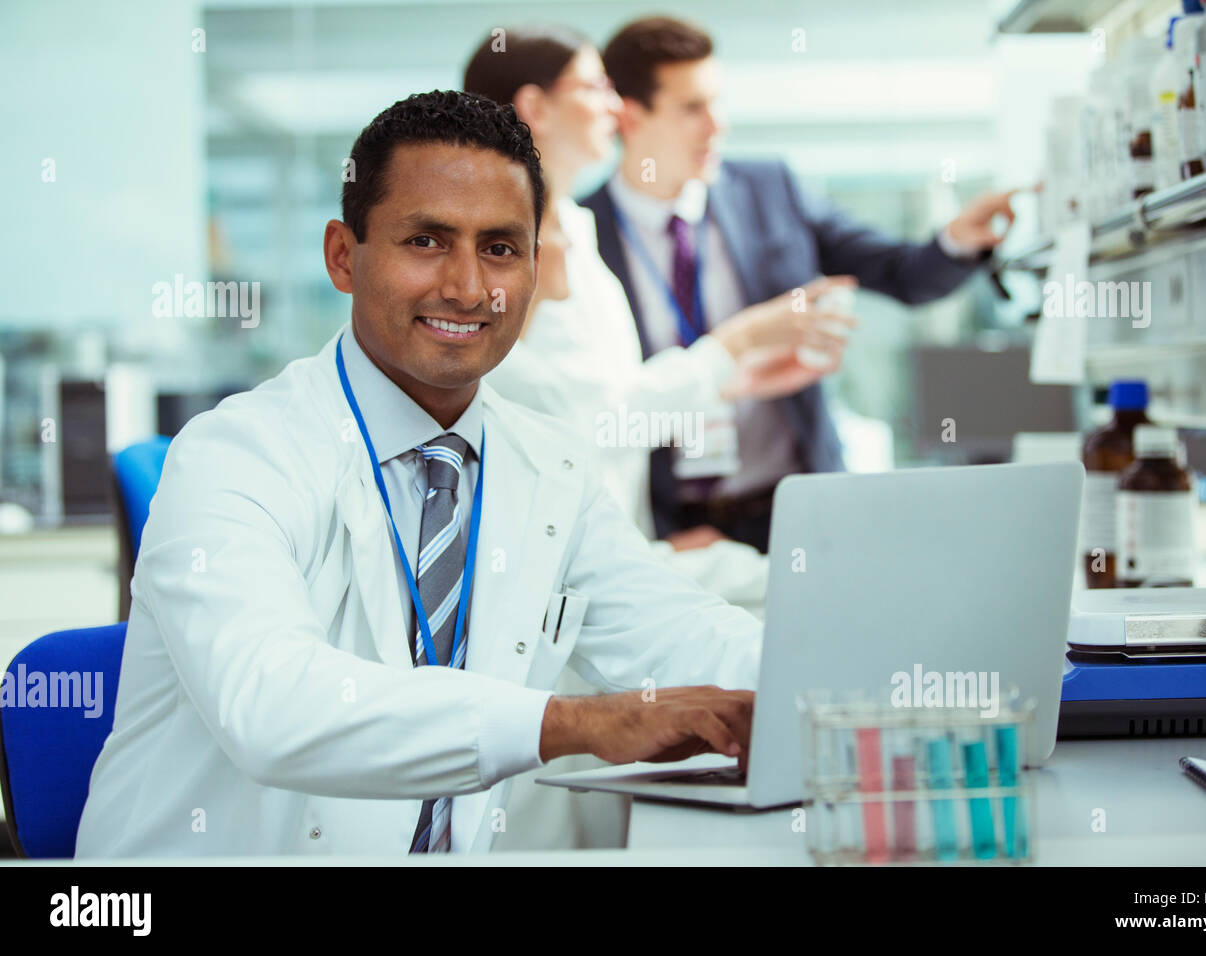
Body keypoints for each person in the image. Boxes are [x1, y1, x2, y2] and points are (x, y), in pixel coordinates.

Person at [75, 90, 760, 858]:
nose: (468, 288)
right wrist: (575, 723)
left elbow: (686, 638)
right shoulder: (236, 454)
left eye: (500, 248)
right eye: (427, 241)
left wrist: (856, 670)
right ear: (343, 255)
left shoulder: (551, 469)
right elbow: (270, 706)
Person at [585, 15, 1019, 552]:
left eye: (717, 103)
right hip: (675, 531)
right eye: (693, 108)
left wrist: (957, 240)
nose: (717, 126)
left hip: (798, 512)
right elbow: (596, 413)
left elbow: (898, 273)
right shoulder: (581, 236)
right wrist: (650, 539)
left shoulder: (770, 189)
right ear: (630, 116)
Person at [463, 26, 855, 573]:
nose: (614, 105)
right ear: (537, 108)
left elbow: (595, 404)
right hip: (565, 566)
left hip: (619, 549)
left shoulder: (574, 230)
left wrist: (733, 380)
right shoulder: (514, 251)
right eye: (596, 86)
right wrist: (737, 342)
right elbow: (574, 432)